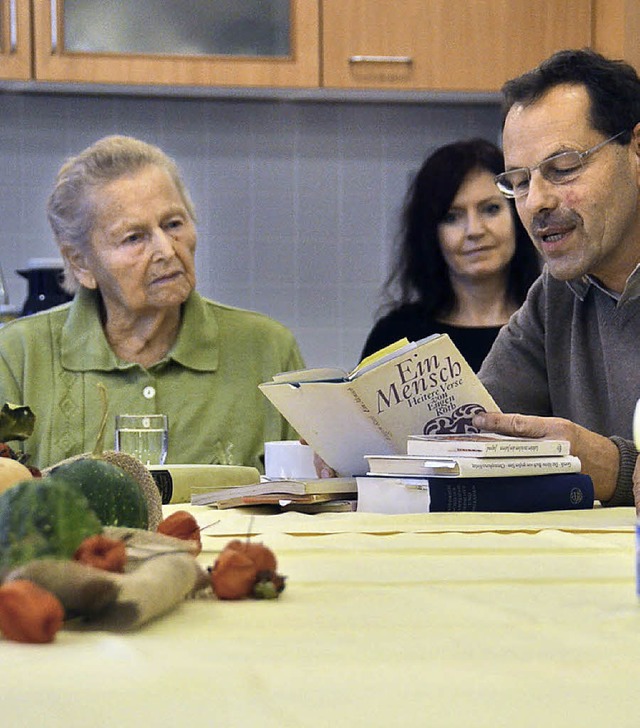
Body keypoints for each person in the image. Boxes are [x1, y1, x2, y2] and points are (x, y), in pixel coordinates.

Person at [0, 135, 304, 471]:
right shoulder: (18, 358)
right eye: (134, 237)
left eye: (173, 224)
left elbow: (315, 499)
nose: (167, 250)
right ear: (81, 263)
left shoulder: (268, 350)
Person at [473, 48, 640, 507]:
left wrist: (614, 467)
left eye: (563, 169)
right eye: (520, 182)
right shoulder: (557, 294)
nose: (535, 203)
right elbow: (479, 425)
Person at [360, 138, 540, 372]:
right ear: (430, 234)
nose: (474, 230)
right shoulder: (396, 339)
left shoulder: (552, 328)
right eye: (451, 217)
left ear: (518, 216)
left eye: (490, 209)